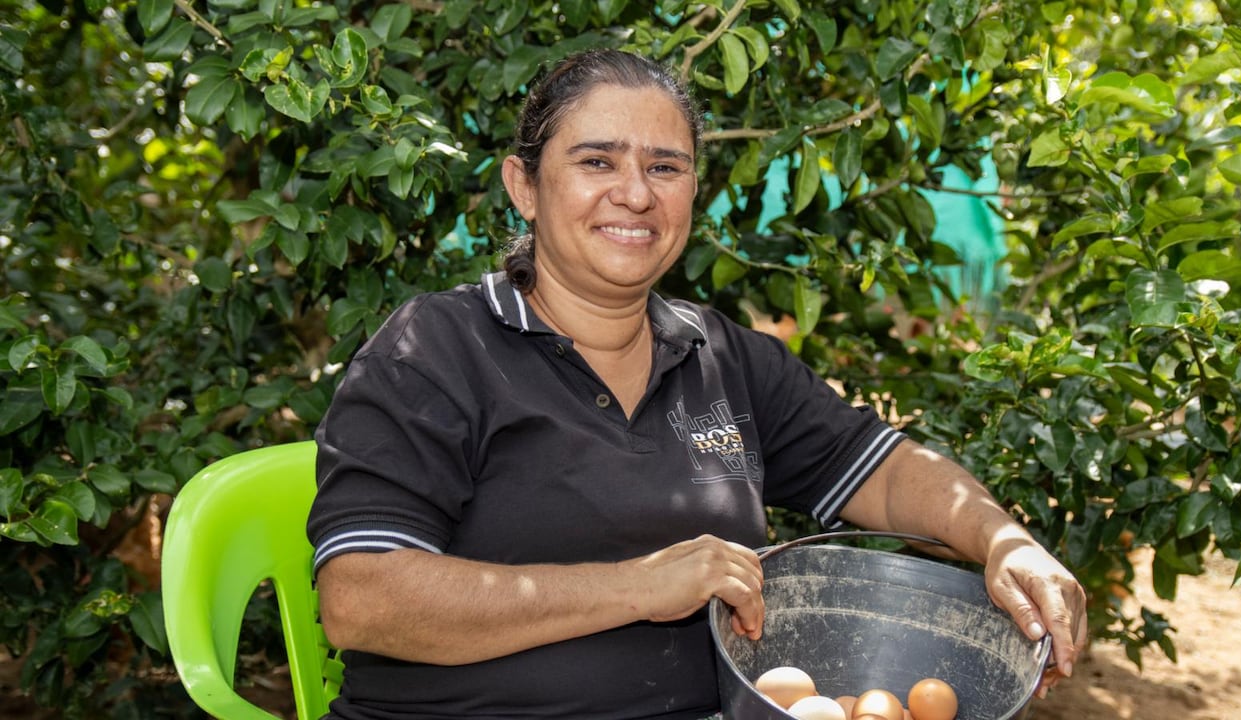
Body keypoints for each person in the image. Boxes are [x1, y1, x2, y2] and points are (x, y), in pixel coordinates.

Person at [306, 48, 1087, 720]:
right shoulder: (437, 350)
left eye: (665, 167)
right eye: (597, 161)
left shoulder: (720, 355)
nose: (637, 194)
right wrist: (640, 587)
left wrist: (1004, 540)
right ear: (524, 185)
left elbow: (882, 469)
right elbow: (363, 601)